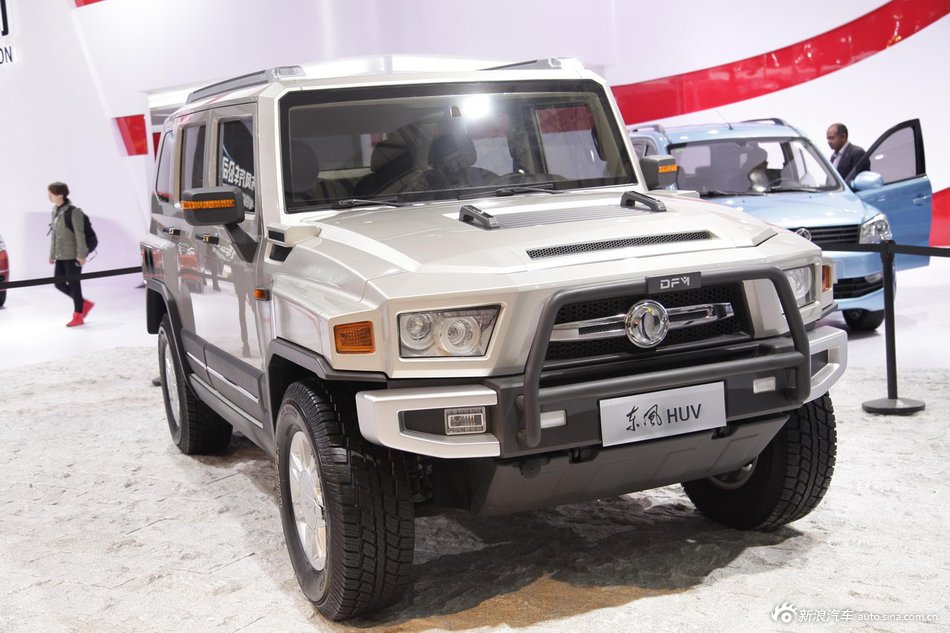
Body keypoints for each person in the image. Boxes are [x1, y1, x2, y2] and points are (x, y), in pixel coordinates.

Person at [47, 181, 94, 327]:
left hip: (73, 255)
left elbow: (80, 235)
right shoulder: (55, 210)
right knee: (58, 283)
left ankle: (78, 315)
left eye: (51, 193)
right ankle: (84, 303)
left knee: (74, 285)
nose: (49, 196)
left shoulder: (74, 212)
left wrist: (81, 255)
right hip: (61, 255)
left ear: (60, 194)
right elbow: (55, 235)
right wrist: (52, 254)